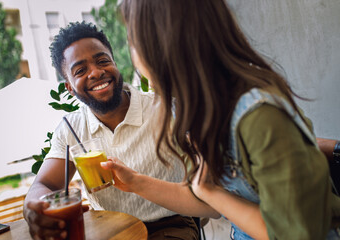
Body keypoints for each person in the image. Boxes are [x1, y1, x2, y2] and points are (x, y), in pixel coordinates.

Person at [100, 1, 340, 239]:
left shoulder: (258, 115)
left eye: (133, 40)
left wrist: (211, 193)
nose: (133, 57)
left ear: (163, 42)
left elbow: (295, 235)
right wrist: (135, 183)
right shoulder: (195, 108)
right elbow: (210, 201)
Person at [23, 22, 214, 240]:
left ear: (114, 63)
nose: (96, 72)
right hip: (109, 231)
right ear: (69, 87)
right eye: (81, 70)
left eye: (102, 61)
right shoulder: (70, 129)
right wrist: (33, 207)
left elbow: (213, 192)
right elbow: (45, 184)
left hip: (169, 227)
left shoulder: (166, 110)